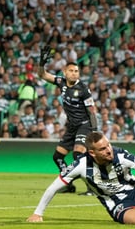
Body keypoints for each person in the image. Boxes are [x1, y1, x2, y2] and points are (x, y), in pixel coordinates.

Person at [38, 46, 97, 195]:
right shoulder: (61, 82)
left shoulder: (83, 89)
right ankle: (68, 183)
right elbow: (43, 75)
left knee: (78, 155)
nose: (74, 73)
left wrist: (94, 131)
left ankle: (91, 187)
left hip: (84, 125)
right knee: (57, 157)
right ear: (65, 71)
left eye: (76, 71)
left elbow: (92, 111)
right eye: (71, 71)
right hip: (72, 127)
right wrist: (41, 63)